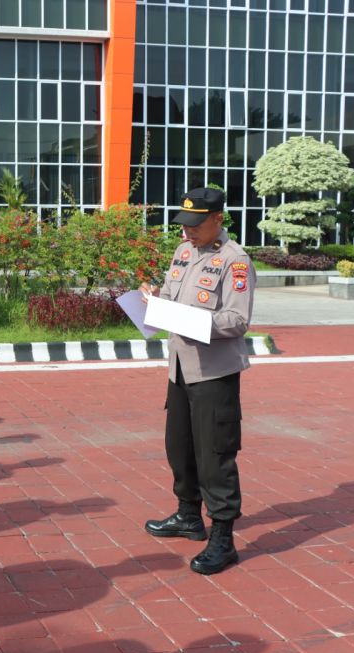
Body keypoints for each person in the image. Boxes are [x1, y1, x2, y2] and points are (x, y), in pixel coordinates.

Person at [140, 187, 256, 576]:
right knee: (180, 446)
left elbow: (237, 321)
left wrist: (190, 322)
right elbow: (172, 294)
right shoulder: (184, 251)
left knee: (215, 455)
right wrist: (154, 298)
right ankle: (188, 515)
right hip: (180, 366)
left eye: (195, 224)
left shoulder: (235, 261)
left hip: (214, 373)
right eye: (184, 224)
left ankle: (223, 538)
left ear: (217, 219)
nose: (187, 231)